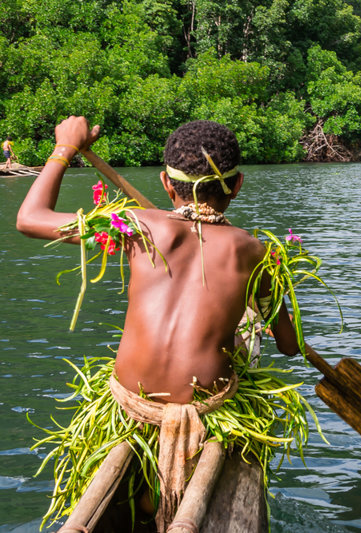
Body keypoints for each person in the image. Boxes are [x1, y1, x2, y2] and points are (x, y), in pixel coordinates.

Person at [16, 116, 309, 530]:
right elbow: (290, 345)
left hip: (131, 404)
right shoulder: (254, 252)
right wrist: (274, 295)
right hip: (207, 409)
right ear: (238, 184)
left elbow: (30, 218)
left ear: (166, 184)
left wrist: (65, 147)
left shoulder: (138, 226)